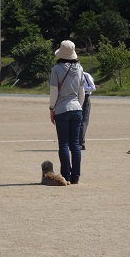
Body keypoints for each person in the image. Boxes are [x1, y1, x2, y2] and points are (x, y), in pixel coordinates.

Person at [49, 40, 85, 184]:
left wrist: (52, 108)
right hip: (77, 108)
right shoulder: (80, 68)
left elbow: (54, 92)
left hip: (62, 109)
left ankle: (66, 175)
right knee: (75, 144)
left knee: (63, 144)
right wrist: (79, 107)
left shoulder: (56, 69)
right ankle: (76, 176)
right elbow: (82, 92)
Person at [79, 72, 96, 150]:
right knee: (79, 120)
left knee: (84, 120)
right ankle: (78, 142)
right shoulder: (73, 74)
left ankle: (80, 142)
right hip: (75, 97)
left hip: (85, 97)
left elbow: (93, 87)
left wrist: (81, 88)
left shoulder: (86, 75)